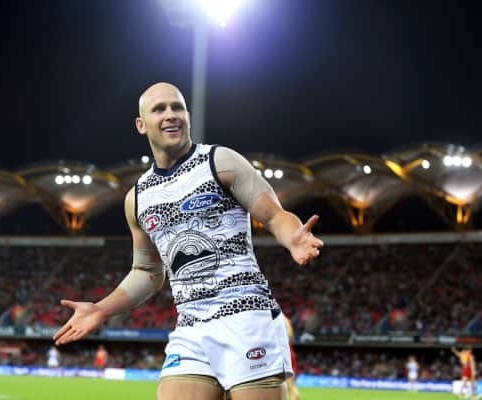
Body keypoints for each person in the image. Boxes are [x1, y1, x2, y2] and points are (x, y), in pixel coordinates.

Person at [53, 82, 324, 400]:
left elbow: (276, 216)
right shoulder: (137, 198)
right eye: (159, 109)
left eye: (177, 107)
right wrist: (101, 309)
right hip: (191, 327)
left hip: (247, 318)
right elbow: (147, 272)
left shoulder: (220, 162)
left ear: (188, 116)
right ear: (141, 124)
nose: (171, 115)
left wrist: (293, 238)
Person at [285, 317, 299, 400]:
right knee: (290, 385)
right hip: (290, 351)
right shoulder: (287, 320)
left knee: (289, 385)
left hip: (284, 353)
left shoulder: (275, 317)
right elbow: (292, 339)